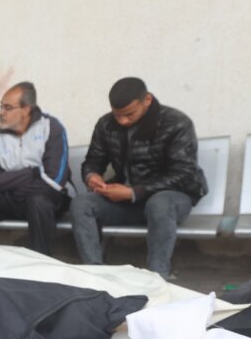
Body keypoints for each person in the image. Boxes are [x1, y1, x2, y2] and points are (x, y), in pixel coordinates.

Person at [69, 77, 207, 278]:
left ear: (147, 100)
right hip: (127, 202)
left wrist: (135, 192)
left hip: (172, 200)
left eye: (129, 114)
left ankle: (157, 277)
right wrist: (92, 176)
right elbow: (93, 160)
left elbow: (184, 173)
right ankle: (95, 275)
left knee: (159, 203)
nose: (122, 121)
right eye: (117, 115)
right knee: (82, 203)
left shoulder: (176, 122)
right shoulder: (106, 124)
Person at [0, 82, 70, 255]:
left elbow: (54, 180)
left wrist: (10, 181)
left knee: (38, 201)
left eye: (8, 107)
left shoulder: (51, 128)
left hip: (46, 199)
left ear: (26, 109)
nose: (1, 112)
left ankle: (40, 267)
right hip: (9, 198)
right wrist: (32, 173)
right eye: (1, 106)